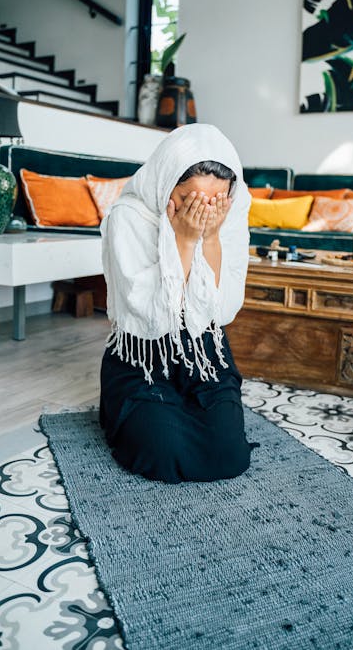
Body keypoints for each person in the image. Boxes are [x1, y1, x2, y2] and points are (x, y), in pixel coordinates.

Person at [99, 123, 259, 484]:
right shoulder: (128, 216)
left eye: (215, 201)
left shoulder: (231, 216)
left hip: (204, 352)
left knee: (229, 455)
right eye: (189, 200)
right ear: (165, 184)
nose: (203, 211)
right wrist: (184, 241)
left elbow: (223, 310)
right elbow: (148, 314)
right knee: (163, 450)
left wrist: (212, 238)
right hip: (141, 356)